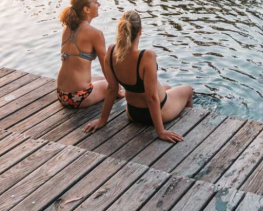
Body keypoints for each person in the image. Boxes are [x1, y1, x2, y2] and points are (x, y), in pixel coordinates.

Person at [82, 10, 193, 143]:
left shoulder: (111, 51)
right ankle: (191, 123)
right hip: (158, 113)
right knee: (188, 90)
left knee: (167, 87)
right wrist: (161, 132)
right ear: (140, 31)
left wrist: (102, 120)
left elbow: (112, 89)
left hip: (133, 113)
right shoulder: (146, 56)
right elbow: (152, 98)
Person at [56, 0, 120, 109]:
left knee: (100, 79)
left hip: (61, 94)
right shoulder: (95, 34)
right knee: (115, 85)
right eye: (95, 2)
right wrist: (117, 90)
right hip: (79, 97)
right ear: (86, 9)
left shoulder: (67, 27)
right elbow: (106, 65)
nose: (99, 4)